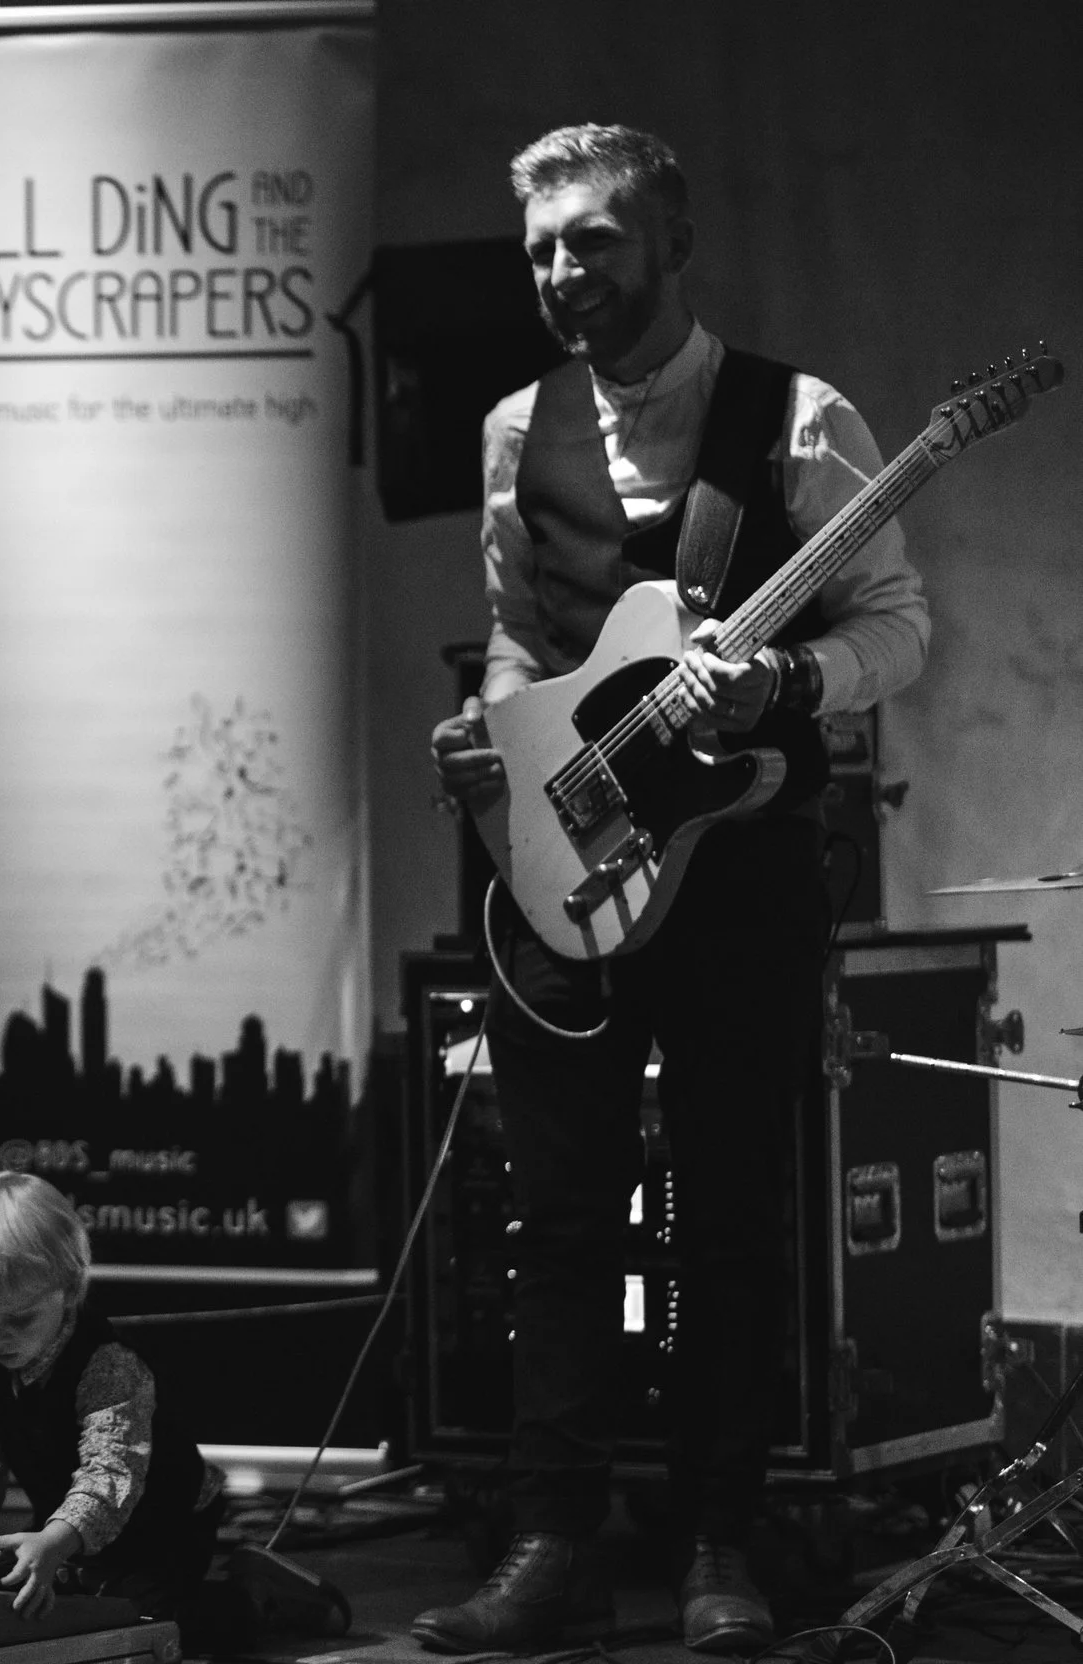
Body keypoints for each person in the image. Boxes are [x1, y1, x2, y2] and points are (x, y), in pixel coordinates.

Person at [420, 125, 928, 1654]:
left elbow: (901, 626)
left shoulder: (799, 415)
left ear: (670, 240)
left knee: (727, 1223)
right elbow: (517, 637)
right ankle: (551, 1547)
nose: (564, 274)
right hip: (558, 872)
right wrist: (491, 740)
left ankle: (722, 1541)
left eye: (593, 241)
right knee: (557, 1224)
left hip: (739, 867)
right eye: (542, 251)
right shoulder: (517, 427)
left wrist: (783, 674)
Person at [0, 1172, 231, 1628]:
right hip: (66, 1518)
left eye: (19, 1317)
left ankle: (253, 1600)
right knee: (40, 1608)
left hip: (164, 1523)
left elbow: (111, 1470)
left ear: (69, 1289)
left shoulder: (107, 1362)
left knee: (139, 1622)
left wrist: (55, 1540)